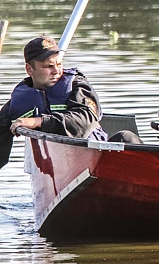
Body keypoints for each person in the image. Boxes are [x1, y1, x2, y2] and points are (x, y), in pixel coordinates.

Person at [0, 35, 106, 169]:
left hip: (98, 156)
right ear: (29, 69)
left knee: (126, 138)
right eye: (49, 66)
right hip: (52, 164)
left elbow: (84, 120)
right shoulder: (20, 101)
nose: (56, 71)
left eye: (59, 64)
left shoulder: (77, 86)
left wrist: (37, 122)